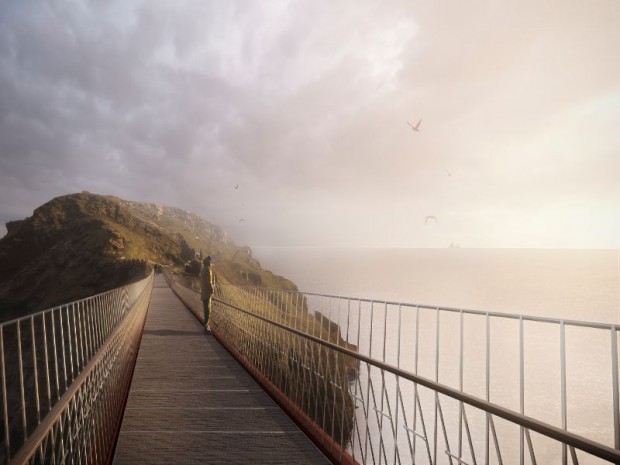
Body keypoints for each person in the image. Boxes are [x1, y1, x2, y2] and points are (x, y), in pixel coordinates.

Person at [199, 256, 215, 332]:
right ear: (209, 262)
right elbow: (209, 282)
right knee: (208, 310)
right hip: (207, 292)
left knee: (205, 309)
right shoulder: (208, 269)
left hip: (203, 291)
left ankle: (205, 325)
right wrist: (212, 290)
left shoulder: (203, 269)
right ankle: (206, 327)